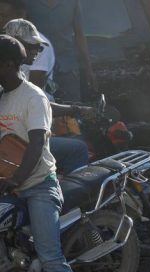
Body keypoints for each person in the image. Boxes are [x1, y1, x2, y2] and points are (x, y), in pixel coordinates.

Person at [0, 34, 83, 272]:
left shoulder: (33, 97)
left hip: (38, 186)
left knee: (50, 257)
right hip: (7, 184)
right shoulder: (1, 95)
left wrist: (17, 179)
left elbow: (37, 144)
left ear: (9, 64)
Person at [3, 17, 90, 173]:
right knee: (78, 148)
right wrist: (75, 109)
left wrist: (75, 109)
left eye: (39, 48)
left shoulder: (16, 72)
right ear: (13, 43)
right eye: (31, 47)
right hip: (11, 141)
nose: (37, 52)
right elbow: (34, 104)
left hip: (13, 135)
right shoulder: (8, 74)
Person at [23, 0, 94, 101]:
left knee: (72, 108)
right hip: (37, 68)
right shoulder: (28, 3)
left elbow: (79, 34)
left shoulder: (72, 3)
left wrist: (88, 67)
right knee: (37, 105)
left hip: (66, 68)